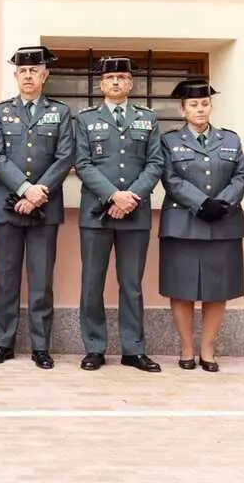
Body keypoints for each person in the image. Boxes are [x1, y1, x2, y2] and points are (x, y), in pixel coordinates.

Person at [0, 46, 75, 370]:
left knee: (41, 280)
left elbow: (65, 156)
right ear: (15, 76)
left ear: (44, 75)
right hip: (6, 205)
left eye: (34, 71)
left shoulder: (61, 113)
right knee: (6, 278)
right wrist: (24, 189)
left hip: (44, 206)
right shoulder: (0, 112)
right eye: (22, 71)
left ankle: (40, 346)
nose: (28, 76)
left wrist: (39, 192)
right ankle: (2, 343)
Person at [73, 56, 165, 373]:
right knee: (92, 282)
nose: (115, 82)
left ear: (130, 83)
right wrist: (113, 195)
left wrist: (131, 197)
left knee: (132, 284)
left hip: (135, 213)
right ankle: (94, 348)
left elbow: (155, 163)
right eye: (110, 77)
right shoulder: (85, 120)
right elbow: (82, 164)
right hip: (96, 214)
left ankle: (133, 349)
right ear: (101, 84)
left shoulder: (148, 119)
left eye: (121, 77)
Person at [157, 79, 244, 373]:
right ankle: (186, 347)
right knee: (181, 289)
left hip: (223, 223)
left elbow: (241, 176)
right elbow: (170, 179)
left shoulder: (231, 140)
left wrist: (222, 203)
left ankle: (208, 349)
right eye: (194, 105)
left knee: (216, 289)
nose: (200, 109)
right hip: (182, 224)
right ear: (183, 110)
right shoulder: (169, 141)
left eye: (205, 103)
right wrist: (200, 203)